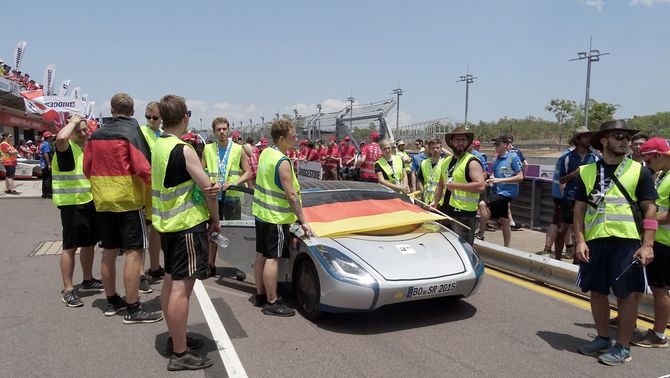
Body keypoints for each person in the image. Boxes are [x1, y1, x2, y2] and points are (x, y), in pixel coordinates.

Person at [573, 119, 657, 366]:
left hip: (627, 241)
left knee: (626, 295)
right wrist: (579, 240)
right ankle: (602, 338)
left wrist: (648, 244)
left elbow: (650, 210)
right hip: (596, 241)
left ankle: (622, 346)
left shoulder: (638, 171)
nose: (625, 141)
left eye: (627, 137)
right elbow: (578, 210)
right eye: (618, 136)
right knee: (597, 292)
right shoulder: (587, 172)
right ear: (604, 140)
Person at [151, 95, 220, 371]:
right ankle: (180, 353)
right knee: (182, 289)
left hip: (167, 225)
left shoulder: (158, 144)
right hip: (187, 225)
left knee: (170, 283)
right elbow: (209, 189)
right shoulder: (184, 149)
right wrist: (215, 219)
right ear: (185, 117)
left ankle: (175, 337)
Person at [83, 93, 162, 324]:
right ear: (133, 110)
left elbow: (87, 168)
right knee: (133, 252)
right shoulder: (131, 132)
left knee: (108, 251)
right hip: (128, 200)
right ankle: (133, 307)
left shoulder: (95, 135)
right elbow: (143, 168)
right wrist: (156, 193)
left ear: (111, 108)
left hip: (103, 200)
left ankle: (111, 301)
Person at [252, 119, 313, 316]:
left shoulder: (266, 153)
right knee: (273, 258)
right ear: (281, 138)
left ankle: (260, 294)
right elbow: (292, 195)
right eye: (293, 136)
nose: (296, 138)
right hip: (276, 217)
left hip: (261, 214)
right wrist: (303, 220)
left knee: (261, 254)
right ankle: (272, 301)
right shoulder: (282, 161)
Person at [53, 115, 104, 307]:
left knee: (89, 243)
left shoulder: (84, 148)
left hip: (89, 202)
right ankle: (68, 289)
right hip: (72, 204)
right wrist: (73, 122)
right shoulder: (65, 148)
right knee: (70, 247)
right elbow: (60, 138)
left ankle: (88, 279)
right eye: (79, 130)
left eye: (85, 129)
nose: (83, 133)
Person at [632, 137, 670, 348]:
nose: (647, 165)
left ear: (657, 155)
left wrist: (648, 220)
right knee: (657, 287)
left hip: (666, 242)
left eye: (648, 160)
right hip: (660, 240)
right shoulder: (664, 175)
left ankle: (659, 334)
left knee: (660, 288)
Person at [202, 117, 251, 277]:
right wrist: (209, 181)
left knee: (235, 233)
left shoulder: (238, 149)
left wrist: (234, 182)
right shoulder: (208, 149)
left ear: (228, 130)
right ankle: (210, 264)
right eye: (218, 129)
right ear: (214, 131)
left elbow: (249, 171)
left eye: (224, 129)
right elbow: (201, 171)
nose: (222, 132)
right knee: (213, 231)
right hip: (215, 196)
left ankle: (239, 266)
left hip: (233, 196)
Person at [432, 128, 486, 244]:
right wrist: (435, 202)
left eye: (463, 140)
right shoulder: (446, 161)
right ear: (451, 142)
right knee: (447, 246)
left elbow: (481, 186)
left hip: (464, 215)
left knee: (464, 249)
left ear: (467, 142)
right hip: (446, 211)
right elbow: (441, 184)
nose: (460, 143)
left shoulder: (472, 162)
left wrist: (456, 186)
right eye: (457, 140)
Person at [556, 126, 599, 261]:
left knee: (581, 231)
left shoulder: (595, 158)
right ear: (578, 139)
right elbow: (561, 179)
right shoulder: (567, 158)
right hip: (569, 197)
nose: (588, 139)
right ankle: (556, 260)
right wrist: (574, 174)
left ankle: (577, 261)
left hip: (587, 199)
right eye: (585, 136)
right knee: (561, 229)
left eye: (589, 136)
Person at [476, 136, 524, 246]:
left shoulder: (513, 158)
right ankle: (507, 246)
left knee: (483, 204)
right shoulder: (496, 160)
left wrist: (500, 180)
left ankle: (480, 233)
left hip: (507, 193)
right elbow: (493, 176)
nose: (496, 146)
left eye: (498, 144)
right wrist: (488, 182)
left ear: (506, 145)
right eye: (495, 144)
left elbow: (520, 177)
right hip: (497, 192)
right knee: (504, 220)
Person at [139, 101, 165, 290]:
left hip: (159, 192)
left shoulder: (164, 135)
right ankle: (139, 275)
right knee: (141, 234)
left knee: (155, 230)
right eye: (148, 117)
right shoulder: (140, 132)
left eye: (155, 117)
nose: (151, 121)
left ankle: (155, 267)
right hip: (143, 189)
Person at [417, 138, 444, 204]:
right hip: (426, 199)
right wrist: (422, 192)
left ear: (441, 149)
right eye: (433, 148)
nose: (435, 150)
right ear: (429, 149)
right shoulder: (423, 163)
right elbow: (420, 179)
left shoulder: (445, 163)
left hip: (439, 200)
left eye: (437, 148)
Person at [39, 132, 55, 198]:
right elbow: (46, 153)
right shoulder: (46, 144)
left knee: (44, 178)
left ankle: (44, 193)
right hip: (46, 164)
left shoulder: (42, 144)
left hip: (42, 164)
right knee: (48, 178)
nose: (51, 138)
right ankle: (48, 193)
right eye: (50, 137)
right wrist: (49, 164)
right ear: (48, 137)